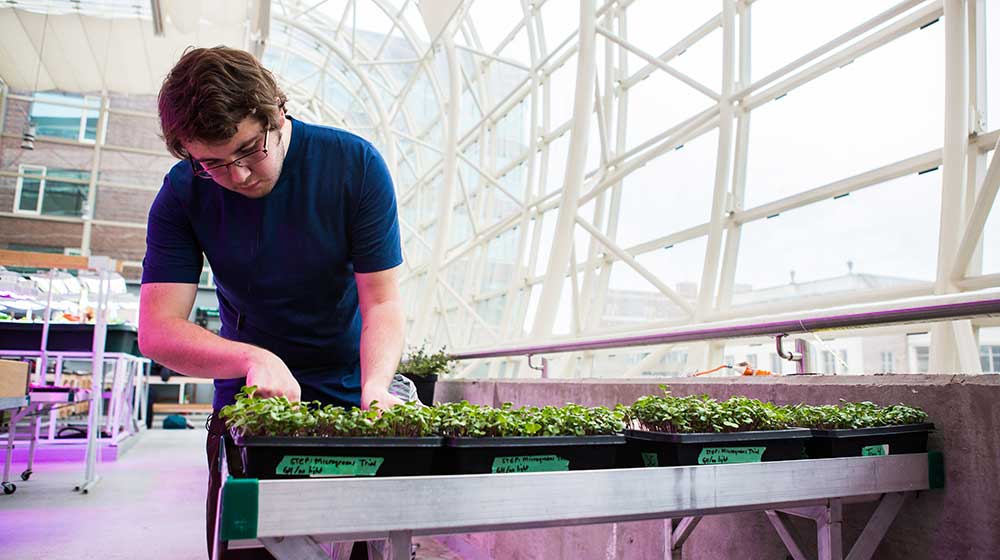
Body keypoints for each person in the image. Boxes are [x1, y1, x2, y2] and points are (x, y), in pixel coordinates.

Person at [138, 46, 405, 559]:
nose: (237, 176)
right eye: (212, 163)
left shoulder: (354, 165)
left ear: (275, 114)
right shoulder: (180, 194)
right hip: (251, 395)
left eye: (248, 150)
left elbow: (382, 302)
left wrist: (375, 386)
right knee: (250, 544)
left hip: (351, 386)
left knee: (357, 543)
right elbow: (157, 328)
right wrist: (251, 357)